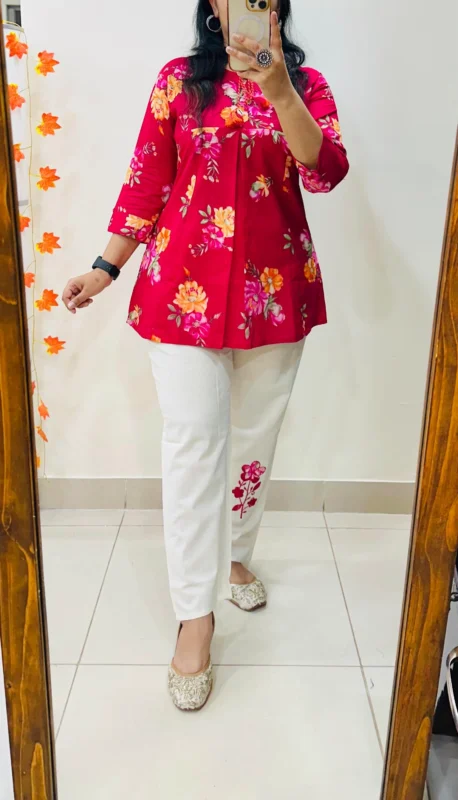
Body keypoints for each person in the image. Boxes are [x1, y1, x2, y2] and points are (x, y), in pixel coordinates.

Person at [62, 0, 349, 711]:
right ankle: (195, 613)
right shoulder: (178, 83)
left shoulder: (306, 87)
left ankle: (236, 554)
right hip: (181, 292)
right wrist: (105, 266)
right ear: (213, 10)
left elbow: (326, 171)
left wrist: (279, 89)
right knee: (194, 444)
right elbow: (147, 182)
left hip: (274, 290)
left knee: (254, 441)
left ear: (276, 9)